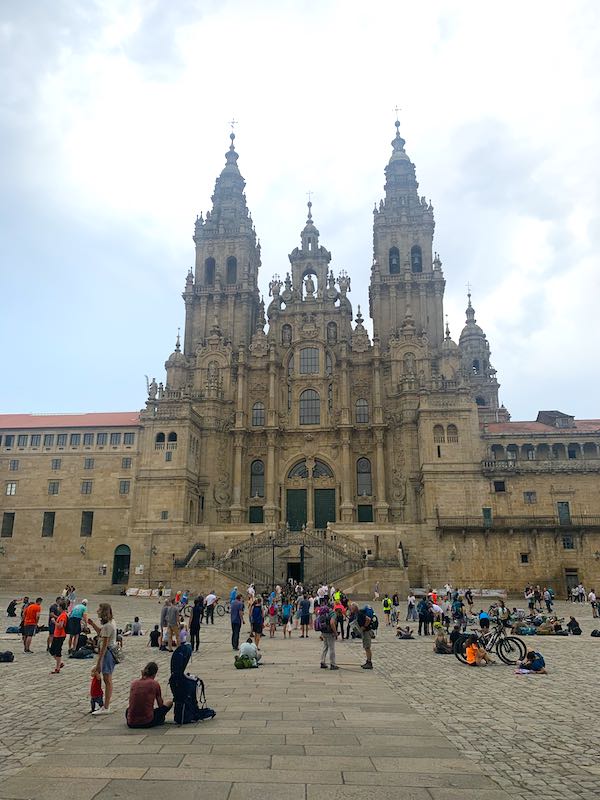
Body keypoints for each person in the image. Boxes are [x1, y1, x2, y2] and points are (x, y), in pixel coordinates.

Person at [88, 603, 118, 715]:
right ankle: (105, 705)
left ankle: (106, 706)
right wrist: (92, 624)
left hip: (107, 654)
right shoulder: (110, 624)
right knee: (107, 679)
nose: (97, 611)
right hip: (108, 653)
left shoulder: (108, 626)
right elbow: (101, 633)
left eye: (99, 609)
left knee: (107, 680)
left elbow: (104, 645)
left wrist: (99, 661)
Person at [126, 662, 173, 728]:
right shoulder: (154, 684)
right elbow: (160, 704)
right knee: (169, 703)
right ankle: (159, 719)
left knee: (128, 709)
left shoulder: (134, 683)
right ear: (154, 674)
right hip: (147, 721)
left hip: (131, 722)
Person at [350, 602, 374, 669]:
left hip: (367, 632)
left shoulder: (360, 613)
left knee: (367, 647)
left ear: (354, 608)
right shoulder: (357, 614)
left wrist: (364, 627)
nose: (350, 609)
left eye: (351, 608)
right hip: (364, 632)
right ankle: (367, 661)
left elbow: (368, 619)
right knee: (366, 647)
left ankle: (369, 662)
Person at [49, 599, 68, 674]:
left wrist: (54, 622)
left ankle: (57, 668)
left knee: (57, 651)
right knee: (52, 650)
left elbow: (60, 626)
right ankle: (59, 663)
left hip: (60, 635)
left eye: (58, 606)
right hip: (57, 635)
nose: (57, 608)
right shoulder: (61, 615)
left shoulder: (63, 615)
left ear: (60, 607)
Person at [319, 605, 339, 670]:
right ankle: (333, 664)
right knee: (332, 648)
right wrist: (335, 632)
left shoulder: (323, 612)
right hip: (330, 633)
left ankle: (322, 661)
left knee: (325, 647)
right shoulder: (333, 613)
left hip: (324, 632)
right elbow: (332, 623)